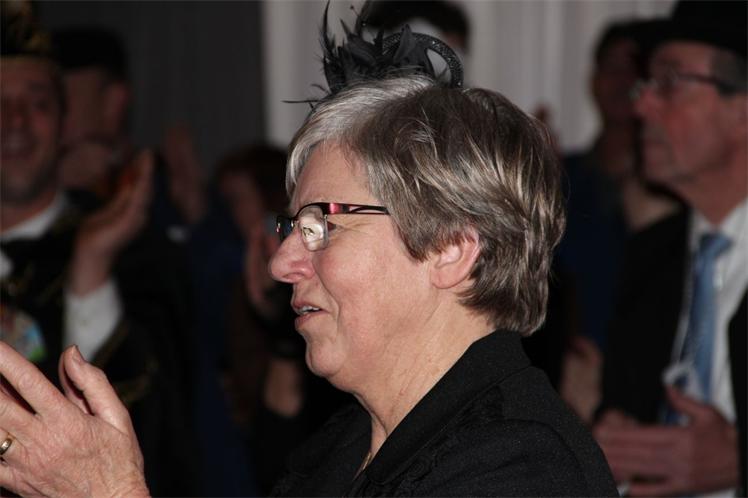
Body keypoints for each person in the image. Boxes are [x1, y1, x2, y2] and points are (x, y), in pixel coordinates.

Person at [0, 10, 617, 497]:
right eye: (294, 226)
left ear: (451, 248)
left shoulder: (521, 467)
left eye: (322, 224)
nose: (281, 262)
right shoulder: (348, 446)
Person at [0, 5, 199, 495]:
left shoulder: (132, 248)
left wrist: (90, 270)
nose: (15, 121)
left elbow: (159, 435)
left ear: (64, 125)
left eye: (37, 103)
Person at [594, 1, 747, 497]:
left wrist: (738, 463)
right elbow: (624, 413)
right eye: (646, 84)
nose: (640, 106)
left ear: (742, 109)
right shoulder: (652, 257)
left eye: (669, 82)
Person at [555, 18, 681, 422]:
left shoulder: (678, 189)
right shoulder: (561, 177)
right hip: (564, 383)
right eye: (612, 68)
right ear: (593, 80)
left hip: (652, 391)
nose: (623, 81)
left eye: (634, 70)